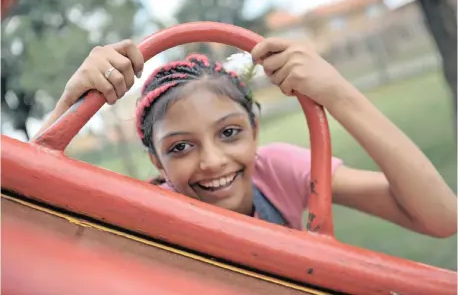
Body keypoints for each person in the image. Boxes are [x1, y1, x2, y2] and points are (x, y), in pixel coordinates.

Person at [35, 38, 457, 238]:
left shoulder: (279, 172)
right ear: (157, 164)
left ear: (255, 132)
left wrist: (338, 93)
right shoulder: (147, 211)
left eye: (230, 133)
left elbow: (440, 218)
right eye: (180, 147)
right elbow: (31, 230)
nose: (213, 161)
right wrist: (69, 108)